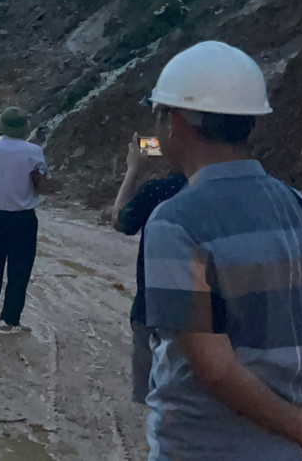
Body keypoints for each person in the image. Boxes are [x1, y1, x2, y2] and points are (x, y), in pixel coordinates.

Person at [141, 41, 302, 459]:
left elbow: (215, 371)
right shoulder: (301, 207)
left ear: (174, 121)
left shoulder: (174, 223)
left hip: (206, 446)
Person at [111, 131, 186, 406]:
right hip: (215, 320)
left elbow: (121, 220)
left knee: (154, 402)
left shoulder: (158, 191)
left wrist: (133, 171)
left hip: (153, 309)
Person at [0, 106, 50, 333]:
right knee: (20, 269)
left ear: (0, 126)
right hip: (24, 218)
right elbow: (44, 181)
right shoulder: (34, 151)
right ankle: (10, 320)